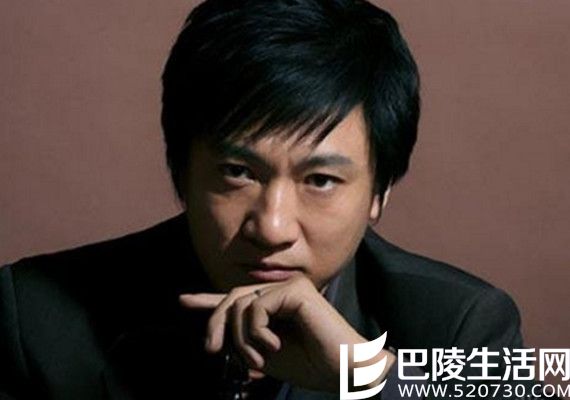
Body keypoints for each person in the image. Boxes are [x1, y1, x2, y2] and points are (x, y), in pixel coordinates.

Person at [0, 0, 544, 399]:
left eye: (320, 181)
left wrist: (367, 375)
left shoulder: (461, 323)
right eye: (238, 173)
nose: (273, 227)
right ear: (182, 171)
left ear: (378, 192)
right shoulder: (35, 316)